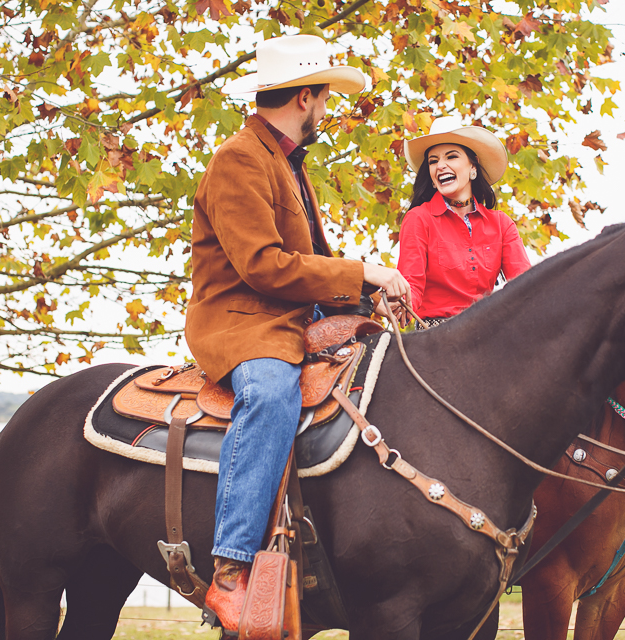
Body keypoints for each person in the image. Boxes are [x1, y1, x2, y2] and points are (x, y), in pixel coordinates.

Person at [184, 34, 411, 631]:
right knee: (271, 395)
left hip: (293, 318)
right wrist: (362, 271)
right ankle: (231, 570)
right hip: (244, 323)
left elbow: (309, 263)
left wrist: (365, 296)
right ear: (305, 97)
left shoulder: (286, 161)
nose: (326, 108)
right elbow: (262, 265)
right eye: (325, 97)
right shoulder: (239, 158)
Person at [397, 115, 531, 327]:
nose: (440, 166)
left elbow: (525, 285)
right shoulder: (419, 218)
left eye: (451, 157)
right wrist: (397, 303)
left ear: (472, 167)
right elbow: (410, 284)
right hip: (435, 332)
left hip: (487, 330)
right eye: (433, 161)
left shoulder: (502, 224)